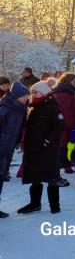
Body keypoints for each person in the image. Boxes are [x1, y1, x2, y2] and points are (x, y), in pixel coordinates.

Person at [18, 80, 64, 214]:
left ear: (44, 92)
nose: (33, 94)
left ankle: (55, 206)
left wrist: (48, 140)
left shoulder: (52, 107)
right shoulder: (34, 107)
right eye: (32, 92)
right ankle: (35, 204)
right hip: (34, 148)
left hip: (48, 149)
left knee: (51, 177)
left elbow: (60, 125)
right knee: (35, 176)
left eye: (36, 92)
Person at [0, 83, 28, 218]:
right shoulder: (4, 108)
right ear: (16, 96)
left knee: (1, 177)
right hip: (2, 147)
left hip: (8, 148)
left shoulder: (20, 109)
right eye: (24, 96)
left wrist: (17, 141)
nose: (26, 98)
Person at [52, 73, 75, 178]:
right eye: (74, 82)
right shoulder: (65, 94)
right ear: (67, 82)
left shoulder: (61, 92)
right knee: (62, 149)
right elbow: (66, 112)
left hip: (64, 125)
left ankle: (67, 166)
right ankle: (55, 176)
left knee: (65, 148)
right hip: (66, 126)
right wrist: (73, 125)